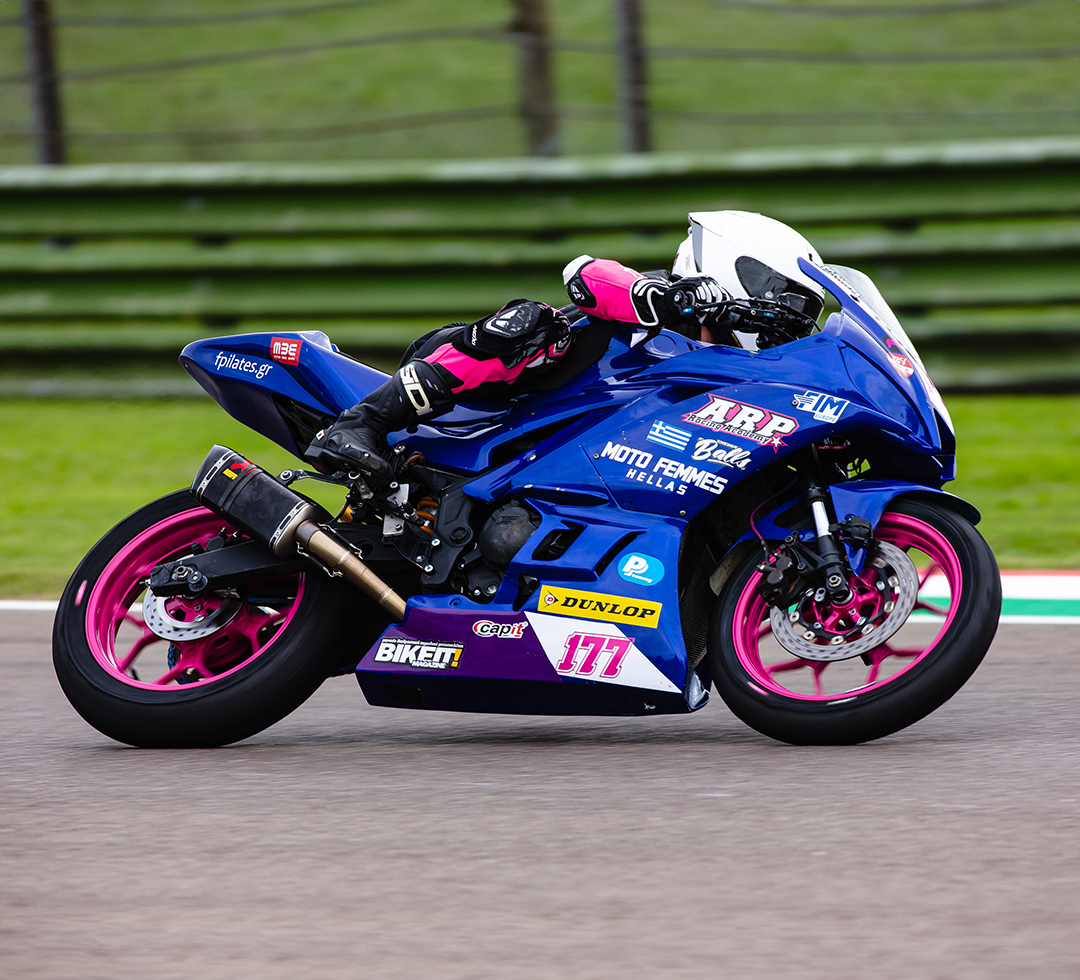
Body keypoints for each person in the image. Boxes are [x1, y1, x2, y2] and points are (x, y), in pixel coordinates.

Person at [307, 210, 826, 486]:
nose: (786, 316)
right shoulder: (654, 300)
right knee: (532, 323)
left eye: (801, 310)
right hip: (484, 398)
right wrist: (670, 297)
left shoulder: (734, 371)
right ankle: (362, 422)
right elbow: (586, 274)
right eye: (783, 297)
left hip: (561, 458)